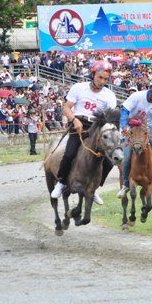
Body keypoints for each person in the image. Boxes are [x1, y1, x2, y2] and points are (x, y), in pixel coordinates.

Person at [50, 63, 117, 204]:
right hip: (78, 124)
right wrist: (74, 120)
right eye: (100, 77)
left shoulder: (109, 95)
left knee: (109, 162)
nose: (103, 81)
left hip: (97, 127)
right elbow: (66, 108)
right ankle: (61, 182)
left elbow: (109, 118)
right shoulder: (78, 88)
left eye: (106, 79)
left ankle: (94, 188)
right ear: (93, 75)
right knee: (69, 154)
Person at [117, 77, 152, 198]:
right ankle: (125, 185)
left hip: (146, 131)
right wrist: (124, 126)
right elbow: (125, 111)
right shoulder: (137, 96)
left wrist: (149, 131)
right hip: (130, 129)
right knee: (126, 158)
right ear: (151, 88)